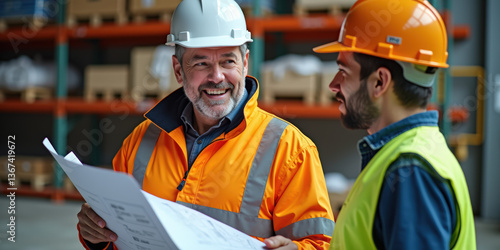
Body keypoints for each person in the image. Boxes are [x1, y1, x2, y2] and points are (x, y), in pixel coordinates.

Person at [76, 0, 335, 249]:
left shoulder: (290, 150)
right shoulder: (140, 142)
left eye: (228, 61)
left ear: (244, 64)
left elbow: (320, 244)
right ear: (178, 70)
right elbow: (117, 236)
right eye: (201, 63)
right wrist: (96, 237)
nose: (217, 77)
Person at [313, 0, 476, 249]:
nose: (333, 85)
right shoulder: (414, 153)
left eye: (344, 72)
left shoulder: (411, 172)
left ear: (380, 82)